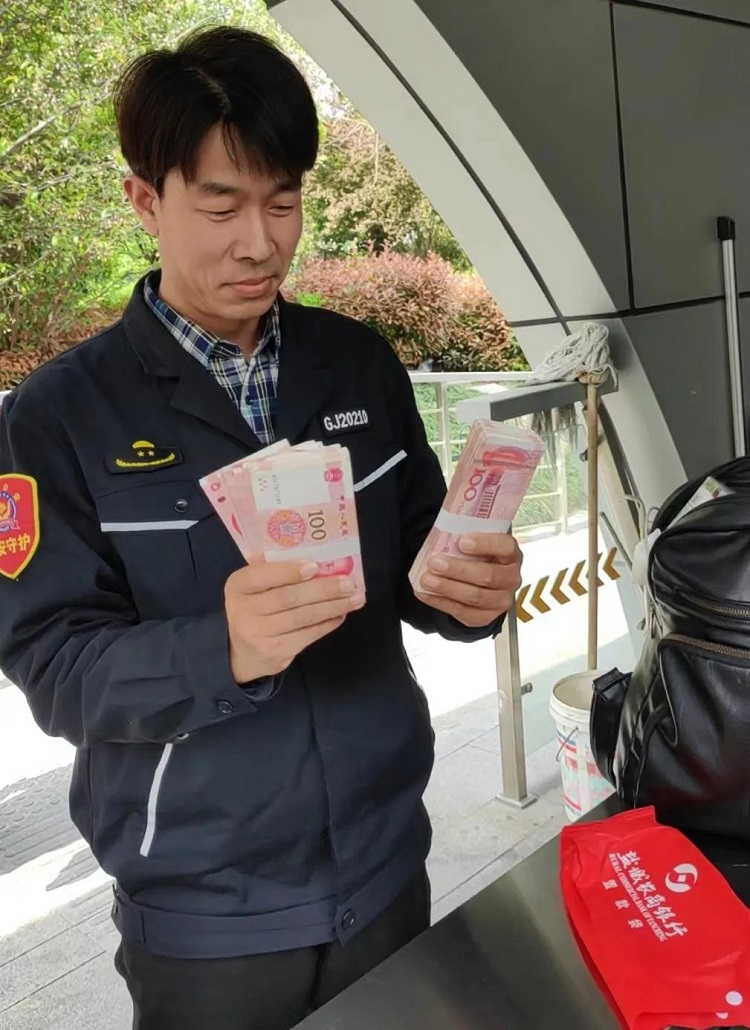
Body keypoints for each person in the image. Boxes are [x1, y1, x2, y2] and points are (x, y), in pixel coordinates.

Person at [0, 26, 523, 1030]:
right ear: (144, 199)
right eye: (221, 206)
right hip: (207, 918)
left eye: (283, 202)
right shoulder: (57, 417)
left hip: (387, 864)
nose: (260, 241)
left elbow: (425, 563)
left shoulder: (357, 365)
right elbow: (55, 669)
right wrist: (223, 648)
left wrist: (473, 592)